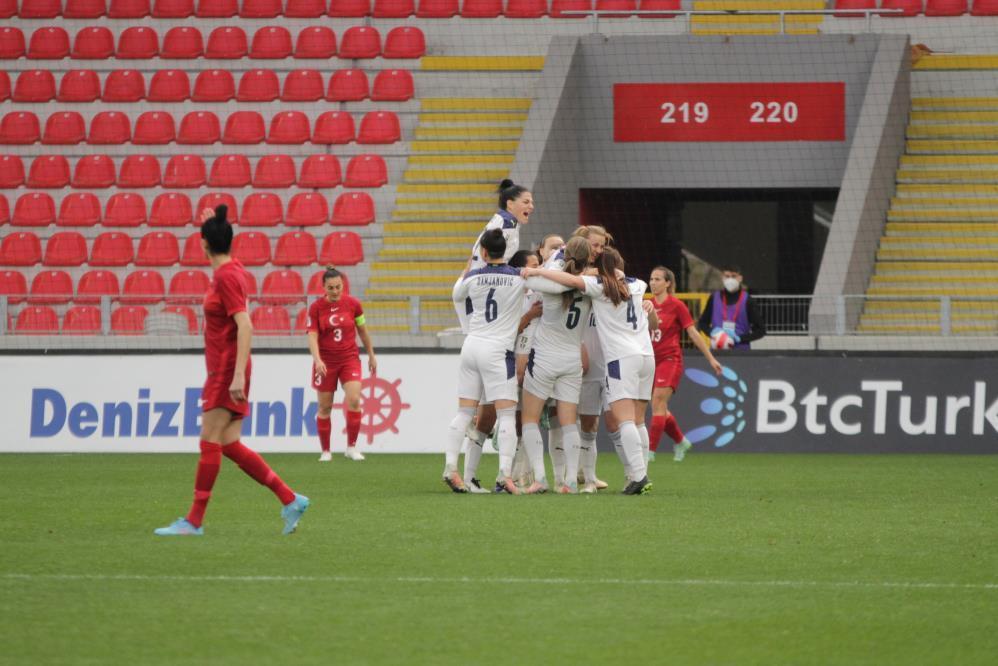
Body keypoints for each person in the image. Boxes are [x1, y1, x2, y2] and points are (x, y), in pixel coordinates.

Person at [155, 206, 309, 536]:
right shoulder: (232, 269)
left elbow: (245, 324)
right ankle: (290, 498)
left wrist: (237, 374)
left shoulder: (226, 277)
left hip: (227, 369)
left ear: (203, 244)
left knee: (209, 440)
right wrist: (214, 223)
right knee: (228, 443)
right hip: (227, 368)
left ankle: (194, 521)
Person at [524, 247, 654, 495]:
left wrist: (536, 270)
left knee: (623, 419)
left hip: (619, 357)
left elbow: (569, 280)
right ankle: (634, 474)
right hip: (646, 355)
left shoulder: (598, 286)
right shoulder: (639, 284)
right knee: (637, 420)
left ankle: (639, 476)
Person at [454, 180, 534, 493]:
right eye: (526, 200)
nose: (531, 205)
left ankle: (471, 473)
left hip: (481, 312)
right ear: (510, 202)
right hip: (483, 320)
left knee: (487, 409)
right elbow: (479, 263)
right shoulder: (504, 229)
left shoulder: (505, 225)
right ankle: (497, 476)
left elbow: (474, 260)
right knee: (489, 409)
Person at [445, 229, 526, 494]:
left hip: (471, 346)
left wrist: (471, 265)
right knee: (505, 414)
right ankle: (504, 475)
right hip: (497, 351)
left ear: (483, 252)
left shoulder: (473, 277)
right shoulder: (517, 278)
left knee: (464, 413)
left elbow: (456, 294)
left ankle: (450, 469)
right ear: (506, 252)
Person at [520, 237, 592, 493]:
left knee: (529, 419)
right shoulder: (591, 285)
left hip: (544, 358)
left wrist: (541, 265)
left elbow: (526, 278)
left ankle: (540, 478)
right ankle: (570, 481)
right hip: (571, 360)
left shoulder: (550, 283)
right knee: (569, 422)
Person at [647, 266, 723, 463]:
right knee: (660, 407)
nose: (653, 282)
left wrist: (711, 358)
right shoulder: (645, 305)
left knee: (657, 403)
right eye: (651, 279)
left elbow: (693, 333)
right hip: (650, 362)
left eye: (657, 279)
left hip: (670, 359)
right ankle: (681, 441)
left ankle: (649, 453)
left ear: (668, 283)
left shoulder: (677, 305)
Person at [306, 266, 378, 462]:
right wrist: (318, 360)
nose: (335, 291)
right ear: (323, 287)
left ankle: (351, 447)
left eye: (338, 287)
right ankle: (326, 451)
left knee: (354, 400)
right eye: (331, 288)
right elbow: (312, 336)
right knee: (325, 407)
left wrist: (371, 355)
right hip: (326, 362)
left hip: (349, 359)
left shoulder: (354, 304)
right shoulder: (315, 308)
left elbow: (363, 331)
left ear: (343, 285)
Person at [696, 265, 766, 349]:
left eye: (733, 276)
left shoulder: (748, 301)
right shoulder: (714, 298)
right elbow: (702, 323)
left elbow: (760, 330)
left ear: (740, 278)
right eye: (727, 276)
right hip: (717, 351)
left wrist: (740, 338)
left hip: (741, 352)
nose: (730, 279)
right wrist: (712, 332)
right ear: (722, 277)